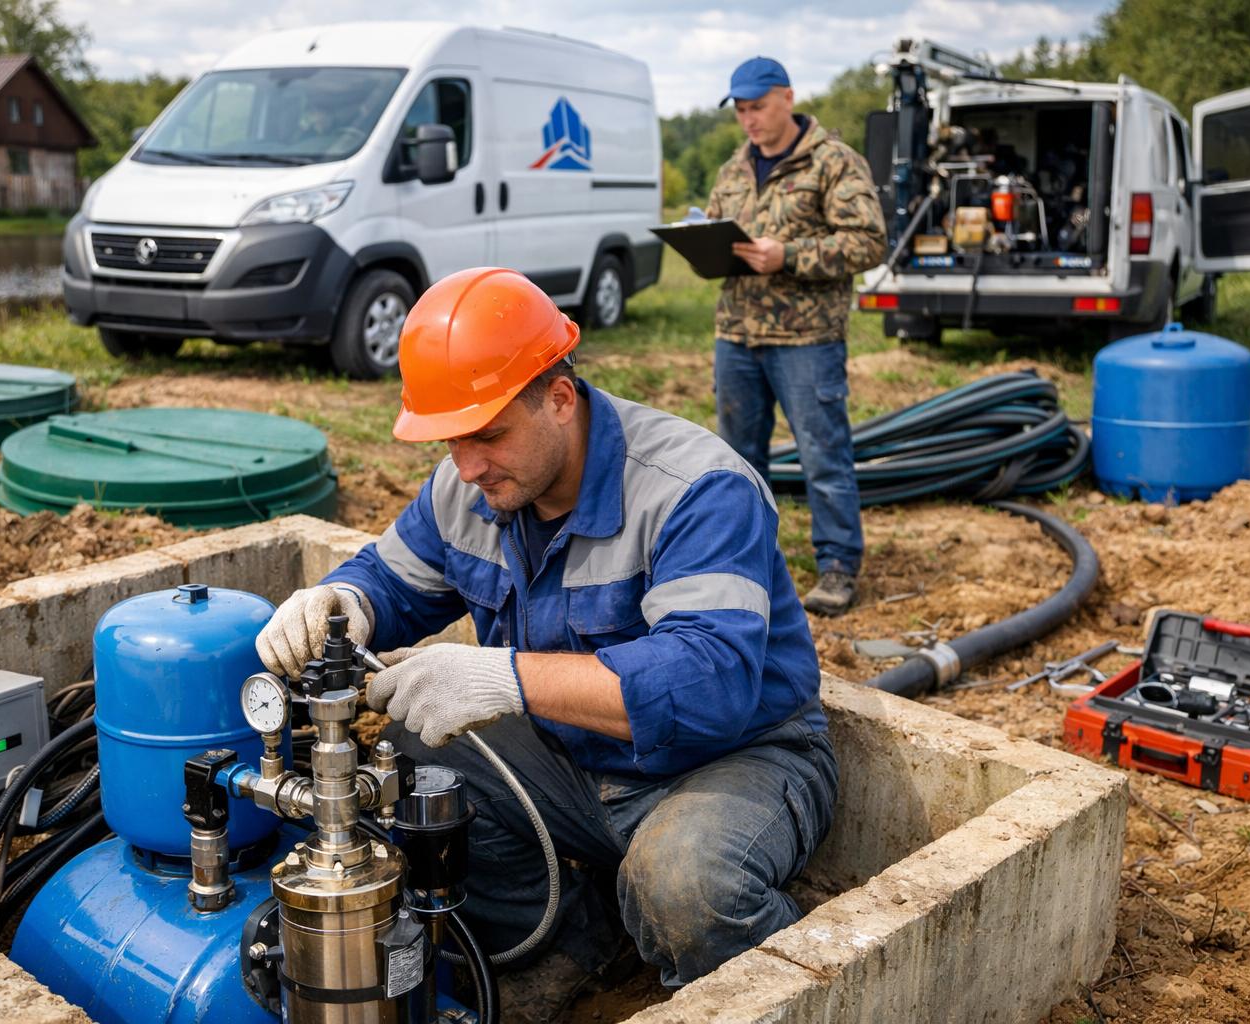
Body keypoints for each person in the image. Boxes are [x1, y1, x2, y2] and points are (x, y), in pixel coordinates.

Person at [257, 267, 837, 1015]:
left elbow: (709, 686)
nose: (467, 465)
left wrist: (509, 680)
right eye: (451, 439)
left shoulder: (694, 489)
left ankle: (803, 986)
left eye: (489, 434)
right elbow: (392, 580)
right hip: (576, 760)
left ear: (559, 399)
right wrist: (342, 602)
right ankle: (571, 944)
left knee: (687, 887)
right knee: (416, 753)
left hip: (732, 759)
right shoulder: (469, 486)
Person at [706, 56, 887, 615]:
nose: (748, 120)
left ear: (786, 97)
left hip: (807, 339)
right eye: (740, 110)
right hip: (737, 334)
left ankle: (836, 565)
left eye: (757, 107)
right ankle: (746, 563)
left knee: (823, 455)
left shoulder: (833, 162)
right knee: (737, 460)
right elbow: (714, 222)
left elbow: (868, 242)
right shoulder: (735, 168)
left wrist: (790, 255)